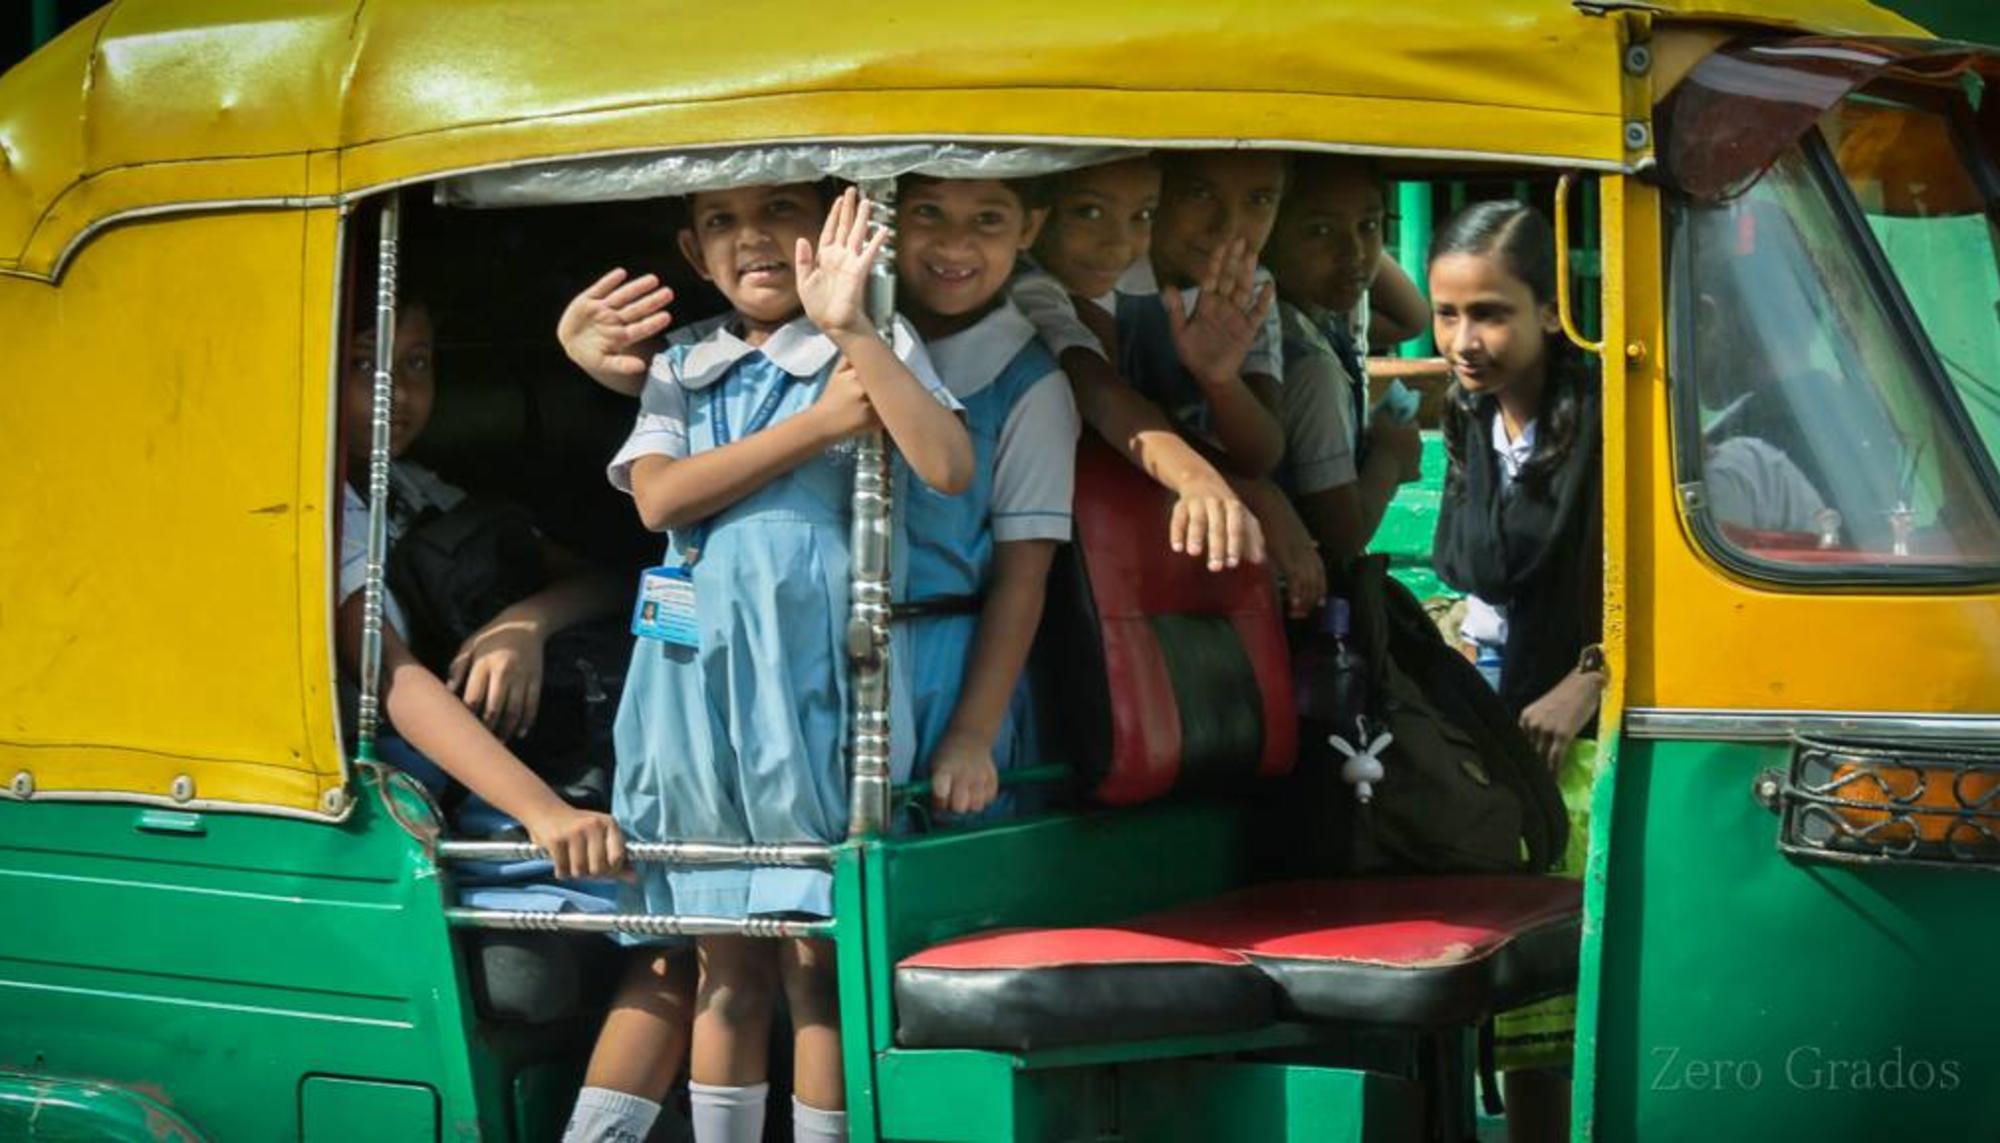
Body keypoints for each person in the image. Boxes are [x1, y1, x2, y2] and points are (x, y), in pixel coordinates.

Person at [570, 183, 971, 1143]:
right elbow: (661, 501)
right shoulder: (684, 361)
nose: (750, 235)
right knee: (726, 961)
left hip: (817, 689)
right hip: (692, 694)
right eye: (720, 221)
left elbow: (948, 466)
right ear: (692, 248)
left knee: (813, 957)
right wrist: (821, 425)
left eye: (781, 207)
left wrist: (855, 332)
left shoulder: (866, 340)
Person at [335, 296, 627, 881]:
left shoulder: (417, 488)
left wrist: (522, 627)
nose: (400, 391)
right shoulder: (324, 507)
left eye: (417, 364)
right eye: (366, 365)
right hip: (399, 790)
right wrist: (543, 812)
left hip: (501, 761)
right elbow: (388, 673)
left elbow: (608, 585)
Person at [1426, 199, 1604, 1141]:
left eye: (1491, 312)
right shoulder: (1471, 424)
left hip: (1580, 727)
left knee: (1563, 988)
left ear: (1551, 309)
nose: (1465, 339)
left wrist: (1593, 674)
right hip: (1492, 713)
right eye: (1447, 314)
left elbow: (1659, 575)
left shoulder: (1616, 421)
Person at [887, 173, 1082, 819]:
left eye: (988, 220)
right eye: (928, 212)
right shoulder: (861, 340)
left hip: (958, 665)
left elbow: (1023, 579)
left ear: (1030, 228)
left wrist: (972, 733)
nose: (955, 242)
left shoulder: (1030, 383)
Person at [1009, 156, 1267, 573]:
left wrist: (1218, 380)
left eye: (1142, 215)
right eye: (1088, 213)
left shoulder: (1117, 282)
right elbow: (1097, 386)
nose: (1118, 243)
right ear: (1035, 219)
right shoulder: (1026, 284)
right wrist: (1194, 478)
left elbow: (1262, 454)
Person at [1264, 155, 1427, 558]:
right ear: (1263, 232)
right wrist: (1390, 456)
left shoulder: (1319, 310)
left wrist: (1346, 227)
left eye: (1369, 226)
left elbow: (1412, 317)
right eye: (1319, 230)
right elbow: (1343, 537)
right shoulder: (1309, 365)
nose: (1351, 251)